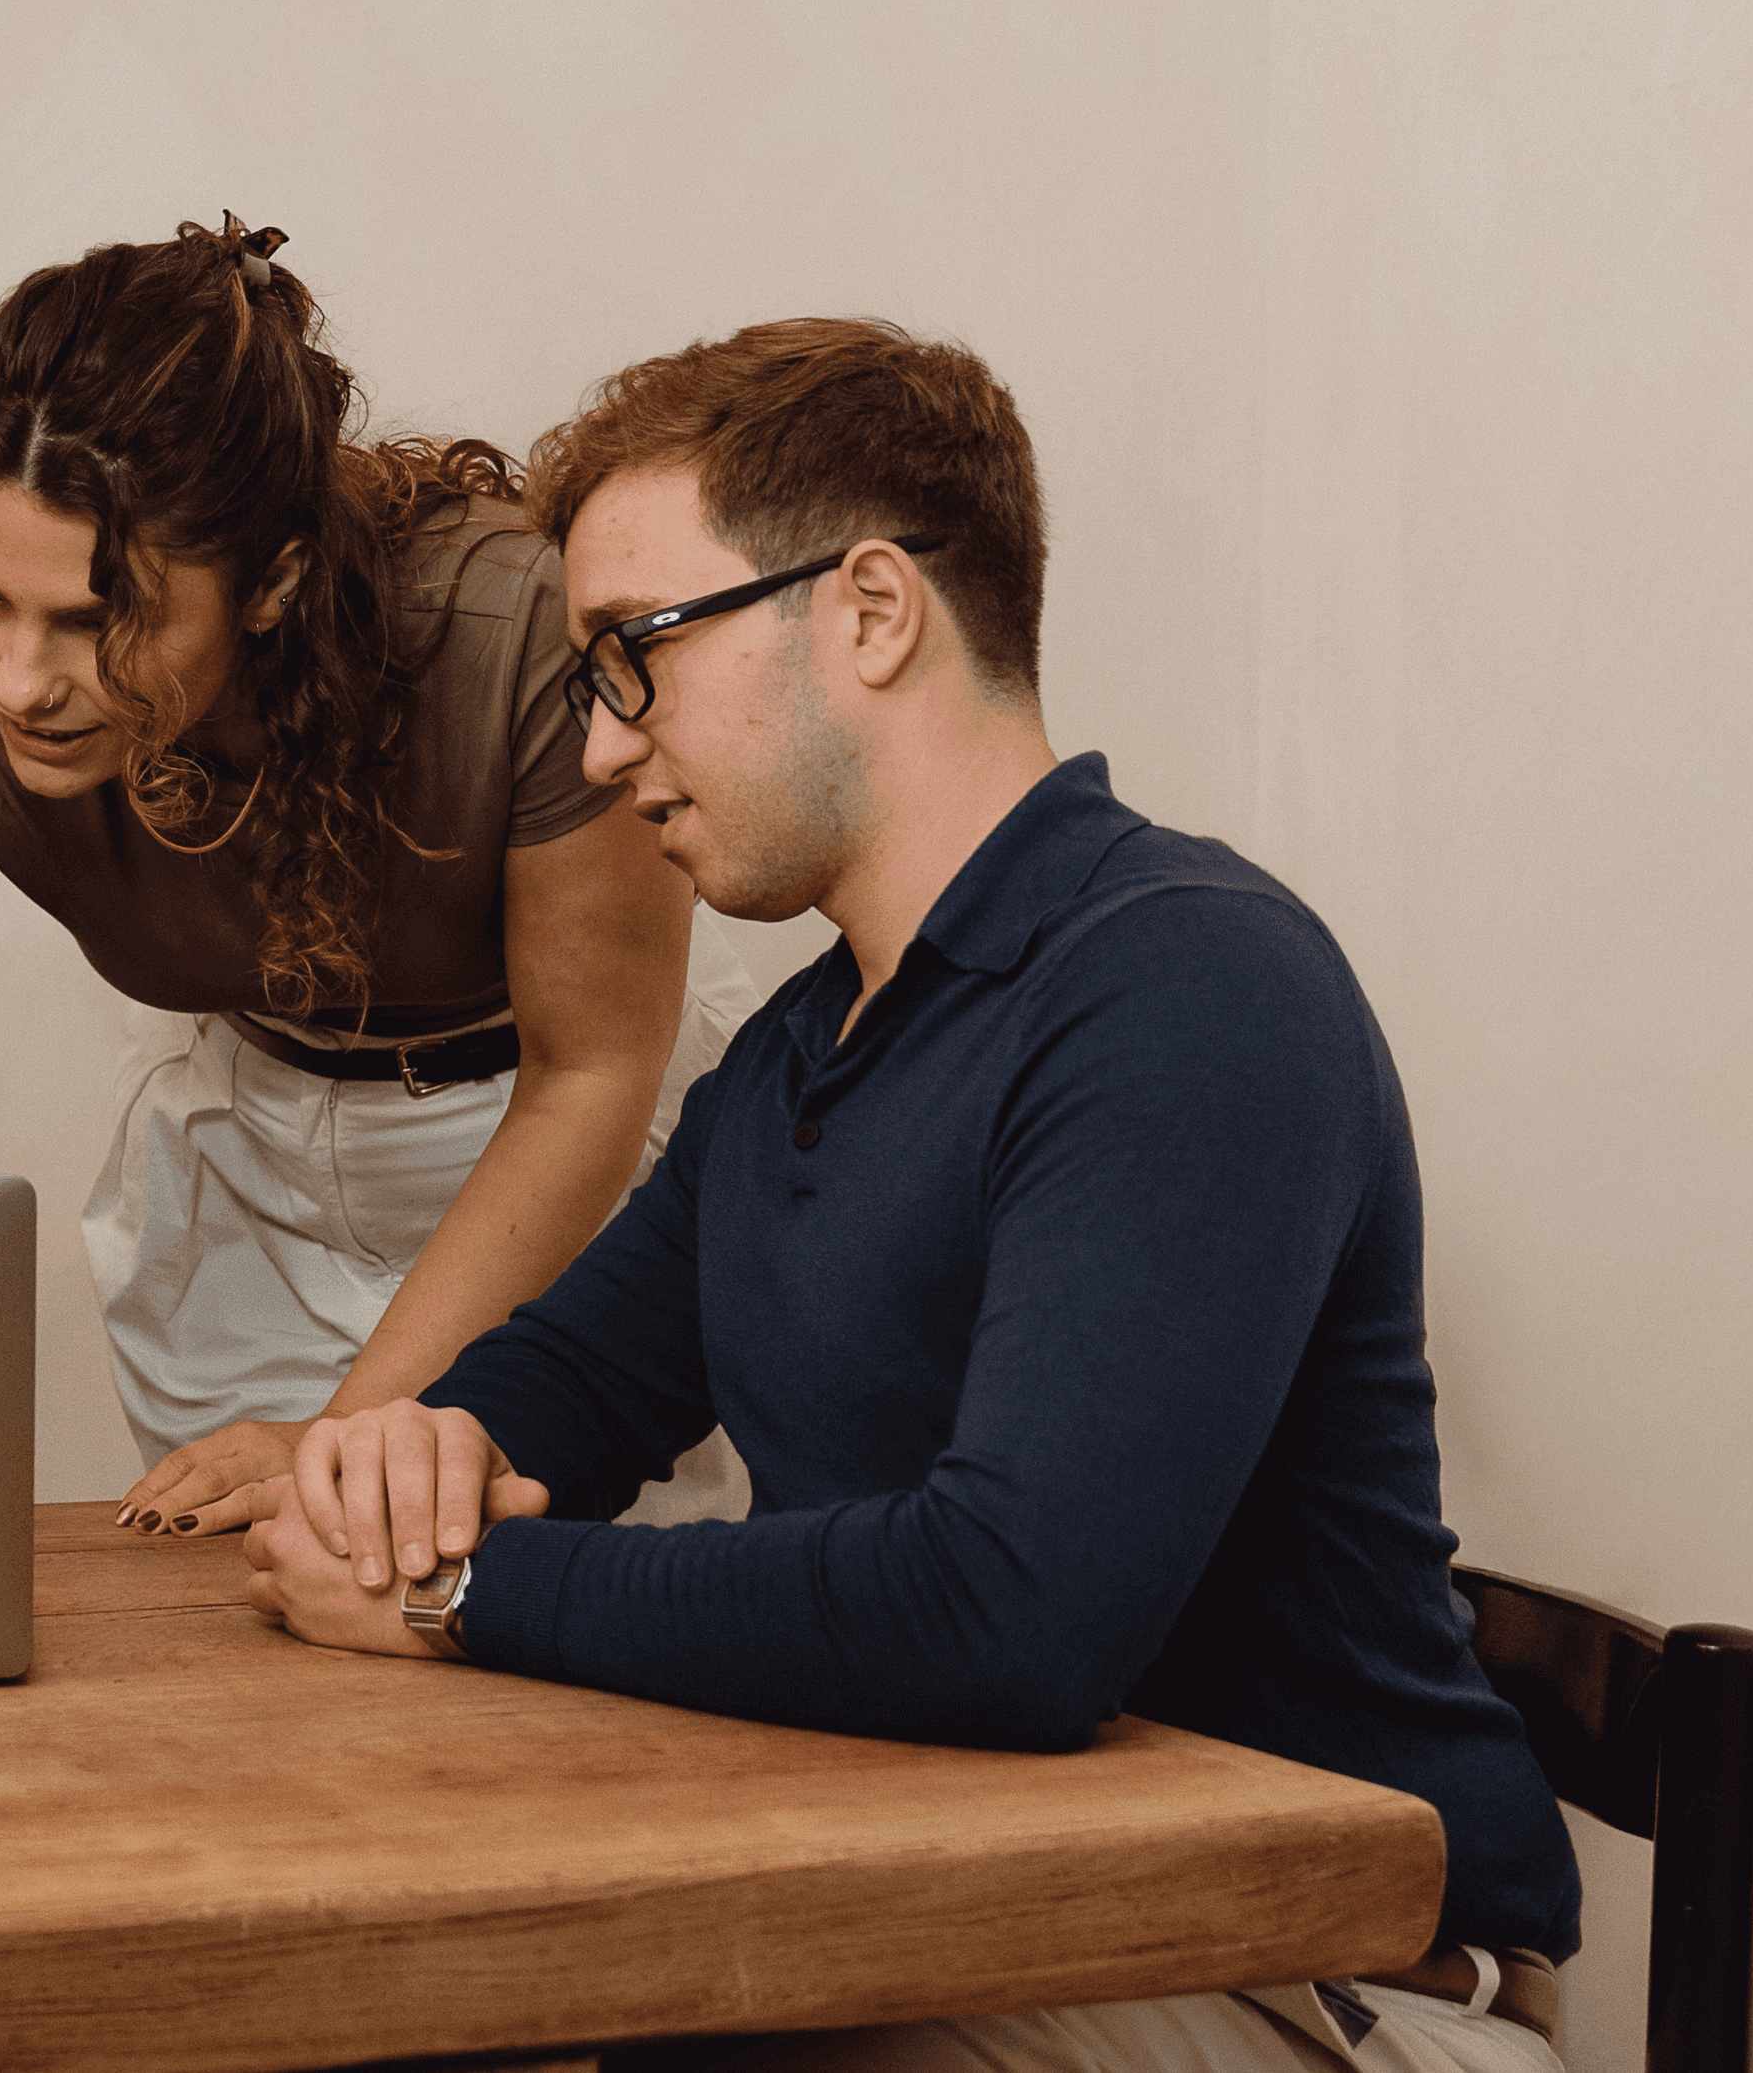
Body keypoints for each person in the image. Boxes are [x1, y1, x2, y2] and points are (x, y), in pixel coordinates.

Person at [249, 320, 1583, 2071]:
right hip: (978, 1902)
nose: (593, 746)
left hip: (1318, 1981)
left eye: (628, 656)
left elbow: (1009, 1610)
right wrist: (412, 1454)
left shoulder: (1186, 983)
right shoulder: (804, 1051)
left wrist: (462, 1593)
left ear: (871, 610)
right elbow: (564, 1381)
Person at [0, 215, 758, 1534]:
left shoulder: (512, 627)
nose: (13, 674)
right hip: (254, 1158)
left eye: (98, 617)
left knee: (559, 1632)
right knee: (281, 1622)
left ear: (273, 581)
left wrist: (347, 1435)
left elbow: (590, 1075)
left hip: (556, 1137)